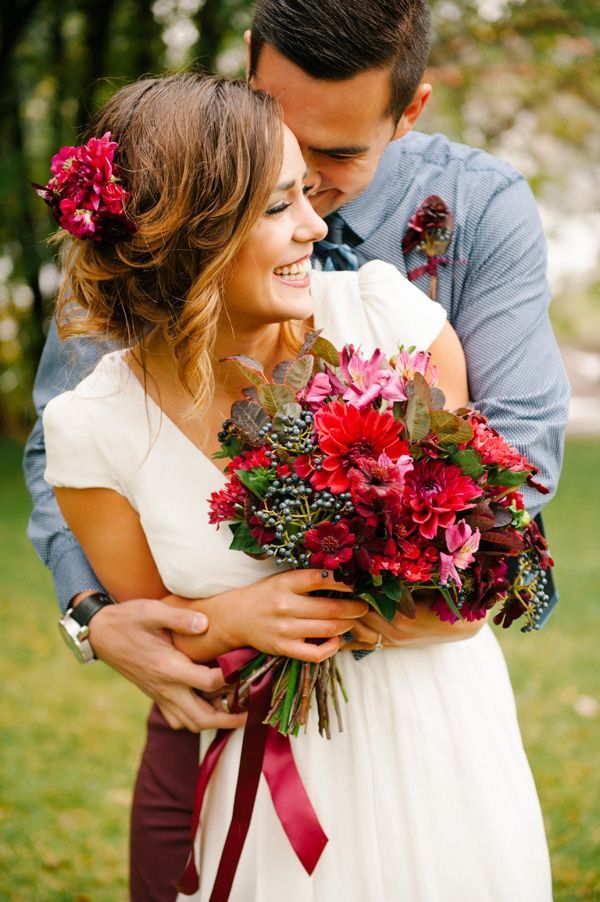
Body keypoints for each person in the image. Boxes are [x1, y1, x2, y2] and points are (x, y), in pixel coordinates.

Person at [23, 0, 569, 896]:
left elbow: (500, 485)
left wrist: (423, 581)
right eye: (280, 176)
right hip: (240, 729)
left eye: (338, 159)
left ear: (409, 111)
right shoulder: (175, 181)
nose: (312, 203)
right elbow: (88, 464)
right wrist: (101, 618)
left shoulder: (404, 297)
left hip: (433, 729)